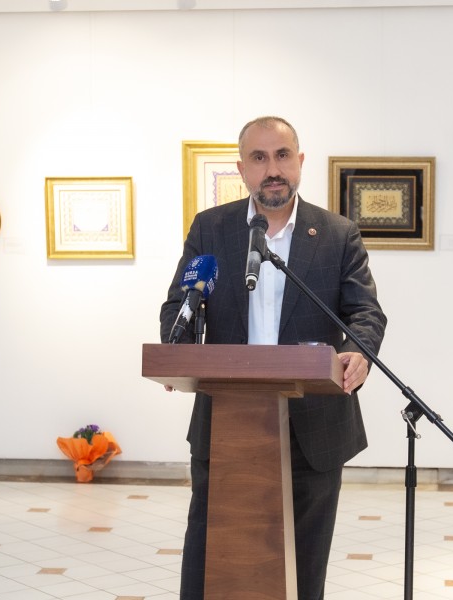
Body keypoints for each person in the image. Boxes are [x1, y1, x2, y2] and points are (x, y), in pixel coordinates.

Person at [159, 115, 387, 600]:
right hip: (227, 420)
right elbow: (180, 302)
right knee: (210, 556)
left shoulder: (337, 233)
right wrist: (178, 348)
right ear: (242, 168)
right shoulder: (211, 229)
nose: (273, 169)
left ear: (299, 161)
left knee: (303, 564)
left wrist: (357, 352)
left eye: (282, 156)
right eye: (259, 158)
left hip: (314, 423)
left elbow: (365, 313)